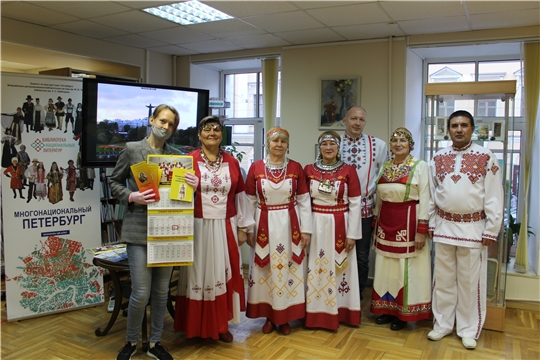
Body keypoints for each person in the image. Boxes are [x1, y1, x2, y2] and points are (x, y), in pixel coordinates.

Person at [109, 104, 181, 360]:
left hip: (167, 231)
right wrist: (132, 196)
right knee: (140, 292)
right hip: (139, 229)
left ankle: (154, 343)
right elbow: (114, 182)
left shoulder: (176, 156)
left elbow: (180, 195)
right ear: (152, 120)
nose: (165, 127)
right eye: (162, 121)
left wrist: (190, 184)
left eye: (171, 124)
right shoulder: (131, 150)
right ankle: (130, 342)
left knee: (162, 293)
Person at [427, 110, 503, 350]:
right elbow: (431, 194)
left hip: (473, 228)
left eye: (464, 125)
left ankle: (469, 329)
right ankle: (442, 324)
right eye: (454, 125)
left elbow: (494, 195)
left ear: (472, 128)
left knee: (470, 282)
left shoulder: (486, 156)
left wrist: (492, 228)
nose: (459, 129)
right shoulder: (437, 158)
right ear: (448, 129)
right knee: (443, 279)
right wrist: (430, 222)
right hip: (444, 226)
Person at [174, 116, 254, 343]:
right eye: (207, 129)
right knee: (197, 274)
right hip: (197, 225)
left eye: (217, 129)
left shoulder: (232, 161)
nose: (212, 133)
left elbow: (240, 197)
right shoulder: (188, 160)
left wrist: (243, 227)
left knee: (221, 273)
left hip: (225, 226)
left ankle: (220, 325)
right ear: (199, 134)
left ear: (222, 135)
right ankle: (195, 326)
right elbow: (178, 196)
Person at [245, 127, 312, 335]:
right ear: (268, 143)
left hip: (289, 225)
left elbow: (303, 200)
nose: (279, 145)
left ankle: (285, 318)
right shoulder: (256, 167)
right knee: (265, 269)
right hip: (263, 225)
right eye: (275, 141)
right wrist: (248, 229)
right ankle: (268, 316)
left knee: (288, 269)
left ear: (288, 145)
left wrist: (306, 230)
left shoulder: (295, 167)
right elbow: (249, 200)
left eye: (283, 141)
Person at [370, 127, 431, 331]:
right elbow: (379, 196)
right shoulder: (386, 166)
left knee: (404, 268)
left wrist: (421, 229)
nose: (398, 144)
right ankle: (386, 309)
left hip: (408, 222)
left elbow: (426, 197)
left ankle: (403, 313)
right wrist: (375, 222)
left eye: (403, 140)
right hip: (385, 222)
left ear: (410, 145)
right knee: (385, 267)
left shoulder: (420, 166)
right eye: (394, 140)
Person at [304, 131, 362, 330]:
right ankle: (315, 311)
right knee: (316, 265)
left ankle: (342, 310)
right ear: (319, 147)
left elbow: (355, 203)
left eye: (332, 144)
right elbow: (303, 202)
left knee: (341, 268)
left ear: (338, 148)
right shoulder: (308, 169)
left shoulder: (348, 171)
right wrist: (305, 229)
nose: (328, 147)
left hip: (340, 223)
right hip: (316, 222)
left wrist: (352, 234)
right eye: (324, 144)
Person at [340, 106, 388, 301]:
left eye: (361, 119)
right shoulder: (333, 143)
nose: (357, 123)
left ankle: (356, 296)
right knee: (339, 250)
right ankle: (337, 293)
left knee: (361, 255)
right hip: (339, 210)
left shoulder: (378, 145)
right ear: (345, 120)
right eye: (353, 118)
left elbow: (384, 176)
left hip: (365, 209)